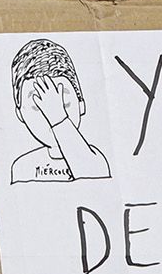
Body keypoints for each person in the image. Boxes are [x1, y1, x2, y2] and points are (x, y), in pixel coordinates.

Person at [8, 38, 111, 184]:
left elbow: (95, 179)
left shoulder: (94, 159)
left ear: (81, 104)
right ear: (20, 113)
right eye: (39, 106)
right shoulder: (23, 168)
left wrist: (58, 117)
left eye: (64, 104)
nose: (50, 116)